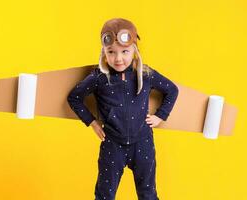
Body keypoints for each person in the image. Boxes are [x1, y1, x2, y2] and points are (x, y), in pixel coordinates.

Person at [67, 18, 179, 200]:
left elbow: (172, 90)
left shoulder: (146, 74)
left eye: (125, 51)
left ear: (134, 50)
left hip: (143, 144)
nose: (118, 58)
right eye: (111, 52)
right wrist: (92, 122)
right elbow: (74, 97)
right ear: (104, 52)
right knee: (104, 195)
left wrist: (161, 116)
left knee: (148, 195)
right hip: (113, 145)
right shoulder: (99, 77)